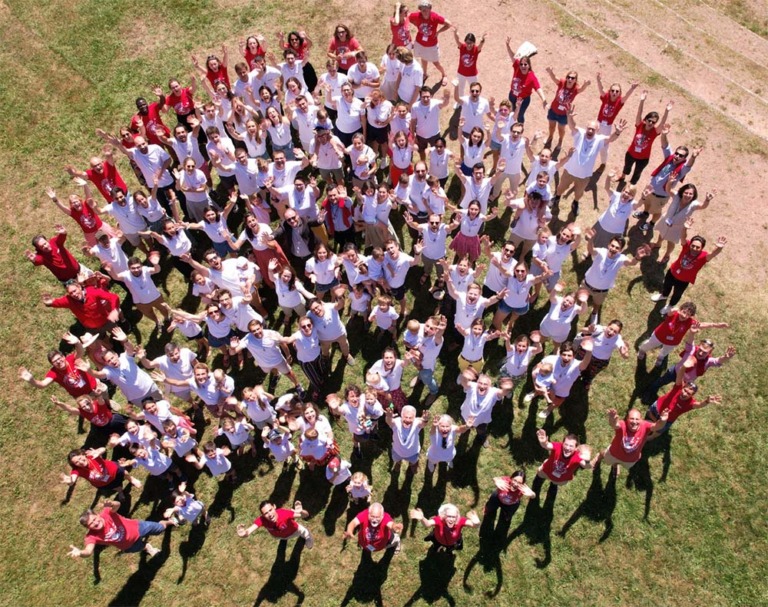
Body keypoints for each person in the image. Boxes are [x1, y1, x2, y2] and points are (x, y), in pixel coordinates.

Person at [553, 106, 627, 217]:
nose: (590, 131)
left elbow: (610, 139)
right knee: (561, 188)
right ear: (586, 128)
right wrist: (569, 117)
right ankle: (557, 198)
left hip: (584, 175)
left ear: (597, 131)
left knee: (579, 193)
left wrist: (617, 132)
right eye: (589, 128)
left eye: (593, 129)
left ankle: (575, 203)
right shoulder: (580, 133)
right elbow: (572, 126)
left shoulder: (599, 140)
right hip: (569, 171)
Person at [634, 127, 701, 234]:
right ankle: (645, 213)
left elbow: (689, 165)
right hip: (650, 189)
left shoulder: (682, 169)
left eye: (681, 156)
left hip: (661, 196)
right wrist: (664, 135)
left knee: (656, 212)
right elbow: (665, 145)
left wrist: (693, 157)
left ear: (684, 158)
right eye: (677, 153)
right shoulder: (669, 158)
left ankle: (651, 223)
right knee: (646, 202)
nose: (677, 156)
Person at [649, 219, 726, 312]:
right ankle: (664, 295)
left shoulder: (703, 257)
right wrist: (684, 228)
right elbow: (683, 237)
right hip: (672, 272)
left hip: (684, 280)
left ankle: (670, 306)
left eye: (698, 247)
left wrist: (719, 248)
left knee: (677, 294)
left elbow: (713, 254)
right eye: (693, 246)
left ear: (702, 248)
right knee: (666, 285)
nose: (694, 248)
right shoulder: (686, 247)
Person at [68, 499, 176, 559]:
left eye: (94, 519)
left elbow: (118, 505)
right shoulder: (91, 537)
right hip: (128, 546)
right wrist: (80, 553)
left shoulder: (106, 513)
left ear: (97, 515)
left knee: (160, 529)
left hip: (139, 528)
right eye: (91, 524)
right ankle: (147, 547)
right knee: (141, 547)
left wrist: (112, 503)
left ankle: (169, 522)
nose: (95, 523)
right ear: (88, 528)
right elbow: (88, 551)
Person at [581, 232, 650, 322]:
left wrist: (637, 257)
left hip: (602, 290)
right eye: (612, 246)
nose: (613, 249)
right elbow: (591, 250)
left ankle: (594, 313)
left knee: (597, 303)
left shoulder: (621, 258)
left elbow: (631, 263)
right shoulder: (601, 252)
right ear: (608, 245)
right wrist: (590, 240)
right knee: (579, 298)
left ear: (621, 250)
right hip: (587, 284)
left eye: (617, 248)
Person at [637, 301, 729, 367]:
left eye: (688, 314)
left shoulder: (689, 322)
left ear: (691, 316)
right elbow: (669, 312)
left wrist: (715, 325)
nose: (684, 316)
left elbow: (700, 325)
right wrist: (673, 310)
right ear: (680, 310)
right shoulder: (673, 314)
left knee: (666, 351)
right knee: (649, 344)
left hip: (673, 342)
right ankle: (642, 350)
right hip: (659, 336)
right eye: (684, 312)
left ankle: (661, 357)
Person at [230, 319, 304, 396]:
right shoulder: (248, 339)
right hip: (264, 364)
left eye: (258, 329)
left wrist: (288, 355)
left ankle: (297, 385)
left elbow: (282, 343)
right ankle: (276, 375)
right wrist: (232, 347)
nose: (257, 332)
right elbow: (232, 353)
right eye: (253, 331)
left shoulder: (272, 334)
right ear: (250, 332)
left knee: (289, 373)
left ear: (262, 327)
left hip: (278, 360)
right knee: (273, 370)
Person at [528, 340, 593, 419]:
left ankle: (549, 409)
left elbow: (585, 363)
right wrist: (535, 385)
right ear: (560, 353)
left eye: (569, 355)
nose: (566, 358)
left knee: (555, 403)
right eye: (564, 354)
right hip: (546, 384)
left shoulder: (577, 365)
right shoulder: (551, 359)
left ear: (574, 355)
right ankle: (535, 393)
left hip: (561, 391)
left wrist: (589, 352)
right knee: (539, 390)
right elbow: (535, 369)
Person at [591, 408, 667, 476]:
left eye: (637, 419)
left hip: (630, 460)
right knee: (604, 454)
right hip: (613, 454)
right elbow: (614, 425)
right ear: (627, 419)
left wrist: (663, 420)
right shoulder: (623, 425)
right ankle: (598, 457)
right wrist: (612, 419)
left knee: (617, 462)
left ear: (641, 420)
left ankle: (615, 465)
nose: (634, 421)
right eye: (632, 419)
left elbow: (657, 426)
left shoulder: (645, 426)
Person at [652, 187, 715, 265]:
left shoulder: (693, 204)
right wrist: (670, 182)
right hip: (666, 222)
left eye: (690, 194)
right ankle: (658, 244)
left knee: (671, 242)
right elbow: (668, 189)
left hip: (677, 228)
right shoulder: (676, 196)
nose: (688, 195)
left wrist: (707, 200)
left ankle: (667, 255)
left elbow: (703, 206)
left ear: (694, 195)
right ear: (682, 192)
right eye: (686, 193)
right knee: (661, 234)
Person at [621, 93, 672, 186]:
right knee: (627, 167)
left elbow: (662, 123)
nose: (651, 123)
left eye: (653, 122)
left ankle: (631, 186)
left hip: (643, 158)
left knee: (637, 173)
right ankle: (622, 176)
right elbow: (639, 113)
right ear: (645, 120)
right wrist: (642, 101)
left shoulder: (655, 131)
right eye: (649, 120)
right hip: (631, 153)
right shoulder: (639, 125)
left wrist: (667, 111)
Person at [646, 378, 722, 439]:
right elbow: (680, 374)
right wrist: (684, 366)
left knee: (658, 431)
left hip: (667, 420)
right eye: (685, 390)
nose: (685, 394)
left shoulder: (690, 403)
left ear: (692, 395)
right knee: (648, 417)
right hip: (656, 408)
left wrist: (707, 401)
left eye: (689, 393)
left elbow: (699, 405)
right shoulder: (677, 388)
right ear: (683, 387)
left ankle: (649, 438)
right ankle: (648, 425)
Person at [42, 279, 121, 335]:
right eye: (71, 293)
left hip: (106, 321)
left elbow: (113, 297)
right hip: (92, 328)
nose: (74, 294)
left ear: (79, 287)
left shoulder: (92, 292)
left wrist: (114, 309)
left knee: (119, 335)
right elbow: (55, 303)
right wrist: (49, 303)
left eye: (74, 291)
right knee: (105, 343)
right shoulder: (69, 300)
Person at [457, 369, 513, 446]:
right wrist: (464, 377)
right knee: (465, 426)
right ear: (477, 383)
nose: (482, 386)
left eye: (485, 384)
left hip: (482, 421)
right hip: (466, 416)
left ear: (490, 386)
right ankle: (464, 431)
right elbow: (464, 383)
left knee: (481, 430)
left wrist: (507, 388)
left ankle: (482, 437)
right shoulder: (472, 386)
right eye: (480, 383)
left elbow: (503, 393)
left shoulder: (493, 392)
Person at [62, 447, 142, 500]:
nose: (80, 462)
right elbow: (73, 479)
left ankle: (131, 479)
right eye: (76, 462)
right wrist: (70, 481)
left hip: (114, 470)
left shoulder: (91, 455)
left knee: (125, 473)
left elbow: (103, 449)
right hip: (104, 483)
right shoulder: (77, 470)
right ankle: (120, 491)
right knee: (116, 487)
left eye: (80, 458)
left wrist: (98, 451)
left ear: (83, 454)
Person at [532, 430, 592, 499]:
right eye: (566, 444)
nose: (567, 448)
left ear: (576, 448)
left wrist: (587, 461)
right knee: (538, 478)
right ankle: (536, 488)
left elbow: (587, 466)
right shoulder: (558, 446)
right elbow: (547, 445)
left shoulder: (577, 456)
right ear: (562, 443)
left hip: (560, 479)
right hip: (546, 471)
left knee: (554, 485)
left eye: (571, 446)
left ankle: (553, 486)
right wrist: (543, 442)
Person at [592, 169, 642, 248]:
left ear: (632, 197)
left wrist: (643, 198)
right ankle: (589, 251)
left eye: (630, 194)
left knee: (608, 247)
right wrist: (608, 177)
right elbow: (607, 188)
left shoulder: (632, 204)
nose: (626, 194)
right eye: (626, 192)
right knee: (593, 241)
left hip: (615, 232)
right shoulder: (616, 196)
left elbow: (639, 204)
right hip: (602, 224)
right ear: (622, 191)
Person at [594, 73, 638, 164]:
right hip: (598, 123)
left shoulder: (619, 102)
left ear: (619, 93)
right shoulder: (606, 97)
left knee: (604, 146)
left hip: (607, 127)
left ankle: (603, 162)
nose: (614, 92)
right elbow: (601, 90)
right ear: (609, 91)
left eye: (617, 91)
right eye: (612, 90)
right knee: (593, 140)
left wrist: (632, 88)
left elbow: (626, 96)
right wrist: (598, 80)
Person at [574, 319, 629, 390]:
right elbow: (582, 330)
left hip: (600, 361)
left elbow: (625, 356)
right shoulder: (600, 329)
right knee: (577, 366)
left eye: (615, 332)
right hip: (586, 353)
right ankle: (573, 376)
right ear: (607, 326)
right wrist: (589, 330)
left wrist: (624, 353)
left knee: (591, 373)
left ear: (618, 333)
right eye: (611, 329)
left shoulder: (618, 339)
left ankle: (586, 381)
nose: (611, 332)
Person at [544, 68, 590, 150]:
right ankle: (550, 137)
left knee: (561, 129)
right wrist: (550, 72)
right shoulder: (562, 83)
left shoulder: (575, 89)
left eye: (572, 78)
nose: (570, 79)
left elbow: (581, 89)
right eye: (568, 77)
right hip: (553, 110)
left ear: (575, 80)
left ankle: (560, 141)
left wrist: (585, 84)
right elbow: (554, 78)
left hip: (564, 114)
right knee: (551, 127)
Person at [408, 0, 452, 86]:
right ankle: (425, 74)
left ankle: (444, 75)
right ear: (420, 10)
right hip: (420, 42)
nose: (425, 12)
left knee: (436, 62)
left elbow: (448, 24)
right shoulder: (417, 15)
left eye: (427, 9)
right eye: (423, 10)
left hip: (432, 44)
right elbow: (408, 17)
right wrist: (416, 24)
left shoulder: (434, 17)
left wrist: (438, 32)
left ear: (430, 9)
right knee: (423, 58)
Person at [237, 500, 313, 548]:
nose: (270, 514)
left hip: (295, 530)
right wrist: (243, 534)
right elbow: (248, 532)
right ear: (263, 515)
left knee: (305, 532)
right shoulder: (262, 520)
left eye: (270, 510)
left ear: (274, 507)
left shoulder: (284, 513)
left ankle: (308, 538)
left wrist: (301, 511)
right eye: (266, 513)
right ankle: (284, 539)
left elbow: (305, 515)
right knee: (283, 538)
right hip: (279, 536)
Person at [480, 471, 536, 537]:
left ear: (522, 484)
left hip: (511, 505)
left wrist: (532, 494)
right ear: (511, 478)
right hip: (497, 498)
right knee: (490, 508)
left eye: (519, 483)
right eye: (514, 480)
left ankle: (506, 517)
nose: (515, 484)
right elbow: (495, 478)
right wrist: (496, 481)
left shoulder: (523, 489)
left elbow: (533, 496)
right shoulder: (505, 481)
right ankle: (488, 510)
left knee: (506, 518)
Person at [504, 40, 546, 123]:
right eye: (521, 64)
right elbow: (512, 56)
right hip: (512, 96)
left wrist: (544, 100)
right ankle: (510, 125)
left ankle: (520, 126)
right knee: (511, 112)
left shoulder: (532, 77)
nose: (523, 66)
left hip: (523, 100)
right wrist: (508, 46)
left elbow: (538, 88)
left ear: (529, 66)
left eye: (525, 64)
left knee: (520, 115)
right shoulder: (517, 66)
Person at [410, 504, 480, 552]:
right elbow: (427, 524)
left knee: (450, 550)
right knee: (436, 547)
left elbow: (474, 525)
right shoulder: (439, 520)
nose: (451, 519)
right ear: (444, 515)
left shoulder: (460, 521)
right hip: (438, 540)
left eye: (454, 517)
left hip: (453, 543)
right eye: (449, 516)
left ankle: (448, 550)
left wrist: (477, 523)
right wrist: (422, 518)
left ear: (457, 517)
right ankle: (438, 548)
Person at [385, 404, 428, 474]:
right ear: (401, 416)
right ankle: (398, 463)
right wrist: (389, 417)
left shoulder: (416, 423)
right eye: (406, 417)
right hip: (397, 452)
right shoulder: (396, 422)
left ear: (414, 418)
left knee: (413, 461)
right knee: (397, 460)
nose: (408, 420)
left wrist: (425, 420)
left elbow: (423, 424)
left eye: (410, 418)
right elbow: (389, 422)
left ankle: (412, 465)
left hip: (413, 453)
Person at [411, 86, 451, 160]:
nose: (426, 99)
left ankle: (436, 163)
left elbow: (444, 104)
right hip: (420, 135)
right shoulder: (415, 106)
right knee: (421, 152)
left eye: (428, 97)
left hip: (434, 134)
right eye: (423, 97)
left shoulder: (435, 103)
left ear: (431, 96)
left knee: (437, 151)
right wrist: (413, 134)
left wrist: (447, 98)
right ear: (420, 96)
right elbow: (413, 121)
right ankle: (423, 162)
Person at [451, 29, 485, 100]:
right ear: (465, 42)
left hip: (472, 75)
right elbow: (457, 40)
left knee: (474, 90)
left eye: (471, 43)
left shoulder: (476, 49)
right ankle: (460, 102)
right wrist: (455, 33)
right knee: (460, 89)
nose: (469, 45)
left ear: (474, 43)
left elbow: (481, 45)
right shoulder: (462, 47)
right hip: (461, 73)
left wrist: (483, 40)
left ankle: (475, 101)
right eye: (467, 42)